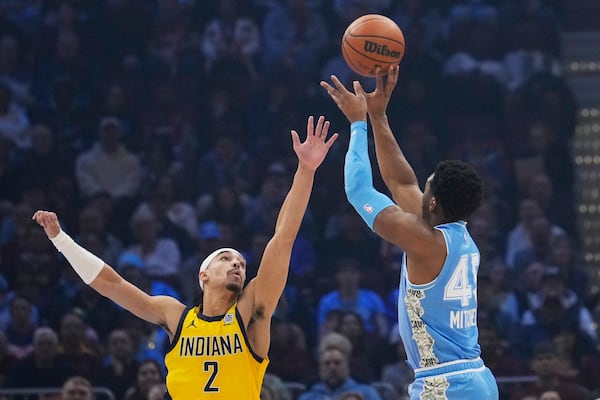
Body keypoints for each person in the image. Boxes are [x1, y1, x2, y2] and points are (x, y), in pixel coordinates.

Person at [33, 115, 337, 399]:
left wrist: (305, 171)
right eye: (226, 259)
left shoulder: (250, 310)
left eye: (242, 264)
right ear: (202, 275)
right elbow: (111, 284)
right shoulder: (176, 317)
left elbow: (282, 239)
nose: (237, 264)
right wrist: (62, 241)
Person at [321, 65, 498, 399]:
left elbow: (358, 191)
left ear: (432, 204)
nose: (422, 185)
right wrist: (378, 116)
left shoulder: (425, 241)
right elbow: (401, 182)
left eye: (428, 186)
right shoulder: (456, 235)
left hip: (447, 385)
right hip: (475, 377)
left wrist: (357, 125)